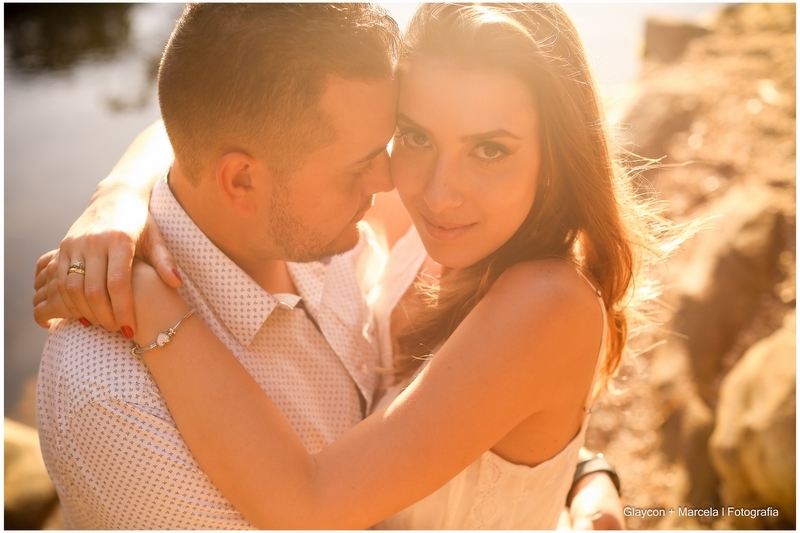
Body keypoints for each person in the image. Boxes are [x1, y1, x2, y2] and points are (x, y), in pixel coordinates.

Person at [33, 3, 624, 530]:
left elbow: (309, 504)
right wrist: (118, 195)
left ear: (556, 154)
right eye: (413, 136)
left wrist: (149, 295)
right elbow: (212, 118)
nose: (435, 191)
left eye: (490, 150)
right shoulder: (417, 217)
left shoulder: (545, 300)